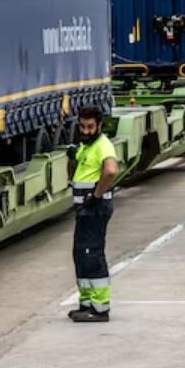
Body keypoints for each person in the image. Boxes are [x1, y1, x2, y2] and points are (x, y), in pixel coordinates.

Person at [67, 105, 119, 322]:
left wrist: (97, 195)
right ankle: (86, 303)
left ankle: (100, 309)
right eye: (82, 126)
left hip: (95, 208)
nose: (86, 131)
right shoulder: (86, 146)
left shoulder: (103, 145)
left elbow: (111, 170)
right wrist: (72, 158)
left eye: (90, 127)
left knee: (92, 254)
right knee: (81, 254)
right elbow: (73, 174)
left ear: (99, 125)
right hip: (84, 209)